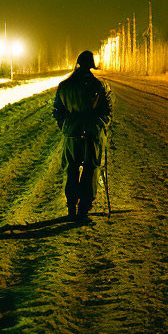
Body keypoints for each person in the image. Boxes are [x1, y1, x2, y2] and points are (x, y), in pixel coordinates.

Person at [52, 50, 113, 221]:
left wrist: (66, 126)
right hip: (91, 136)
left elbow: (57, 111)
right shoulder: (99, 86)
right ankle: (83, 211)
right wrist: (99, 124)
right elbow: (107, 111)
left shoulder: (64, 86)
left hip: (71, 135)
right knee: (90, 171)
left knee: (71, 170)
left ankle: (71, 208)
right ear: (91, 65)